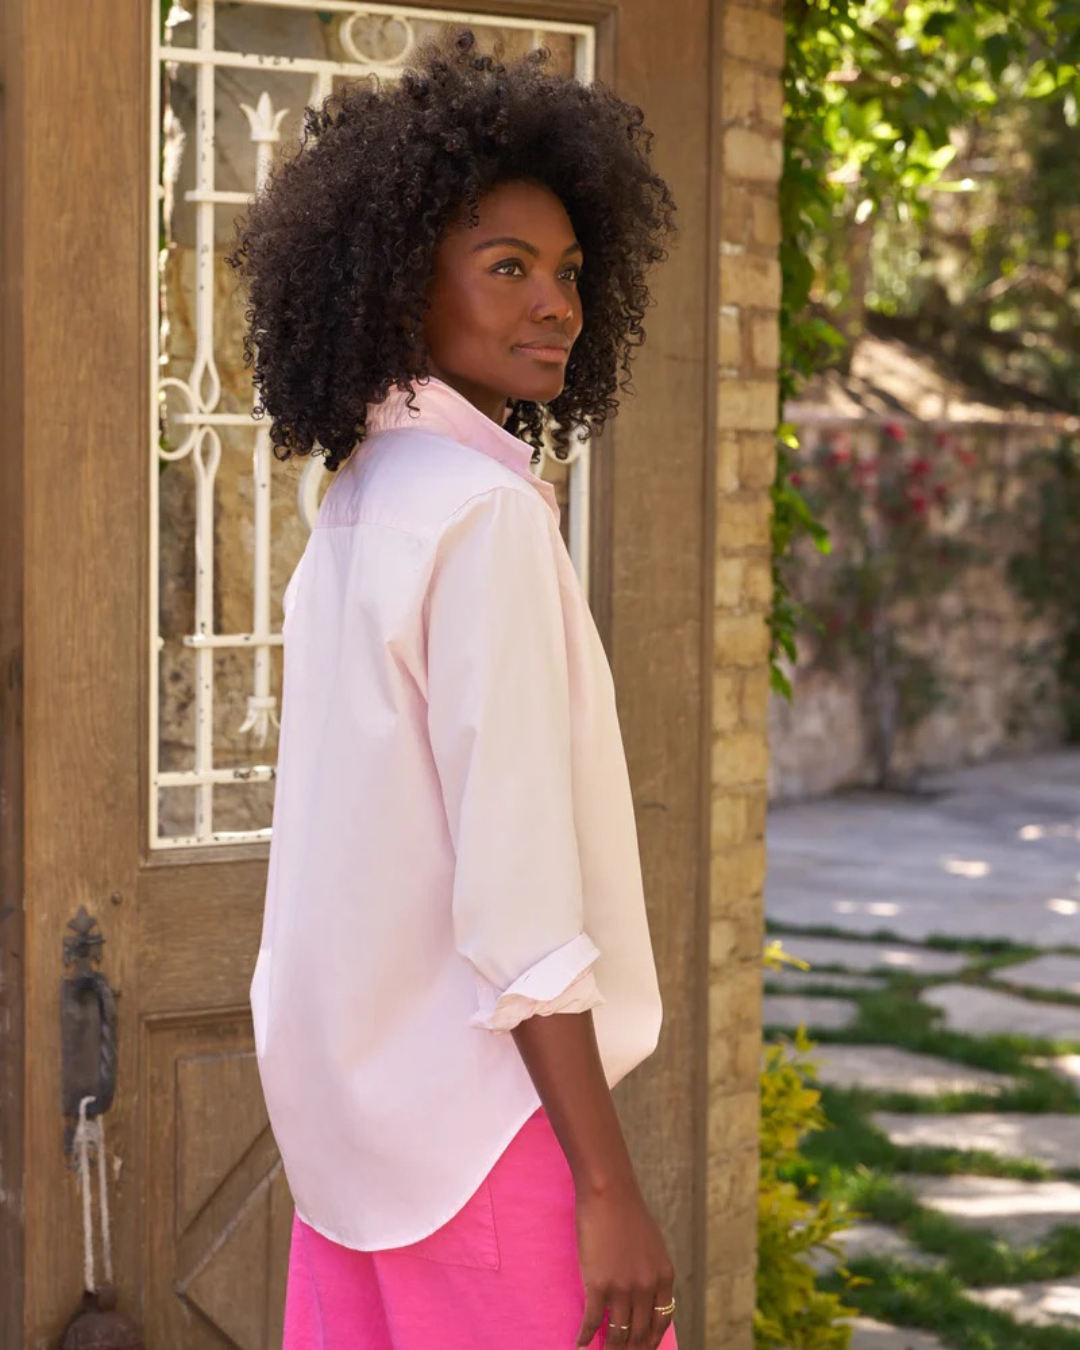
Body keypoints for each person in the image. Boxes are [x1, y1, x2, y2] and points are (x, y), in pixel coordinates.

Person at [227, 30, 678, 1350]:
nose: (558, 305)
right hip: (485, 1135)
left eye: (569, 270)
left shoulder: (362, 501)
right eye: (507, 267)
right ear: (399, 286)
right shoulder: (481, 517)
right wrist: (608, 1185)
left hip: (355, 1145)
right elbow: (519, 901)